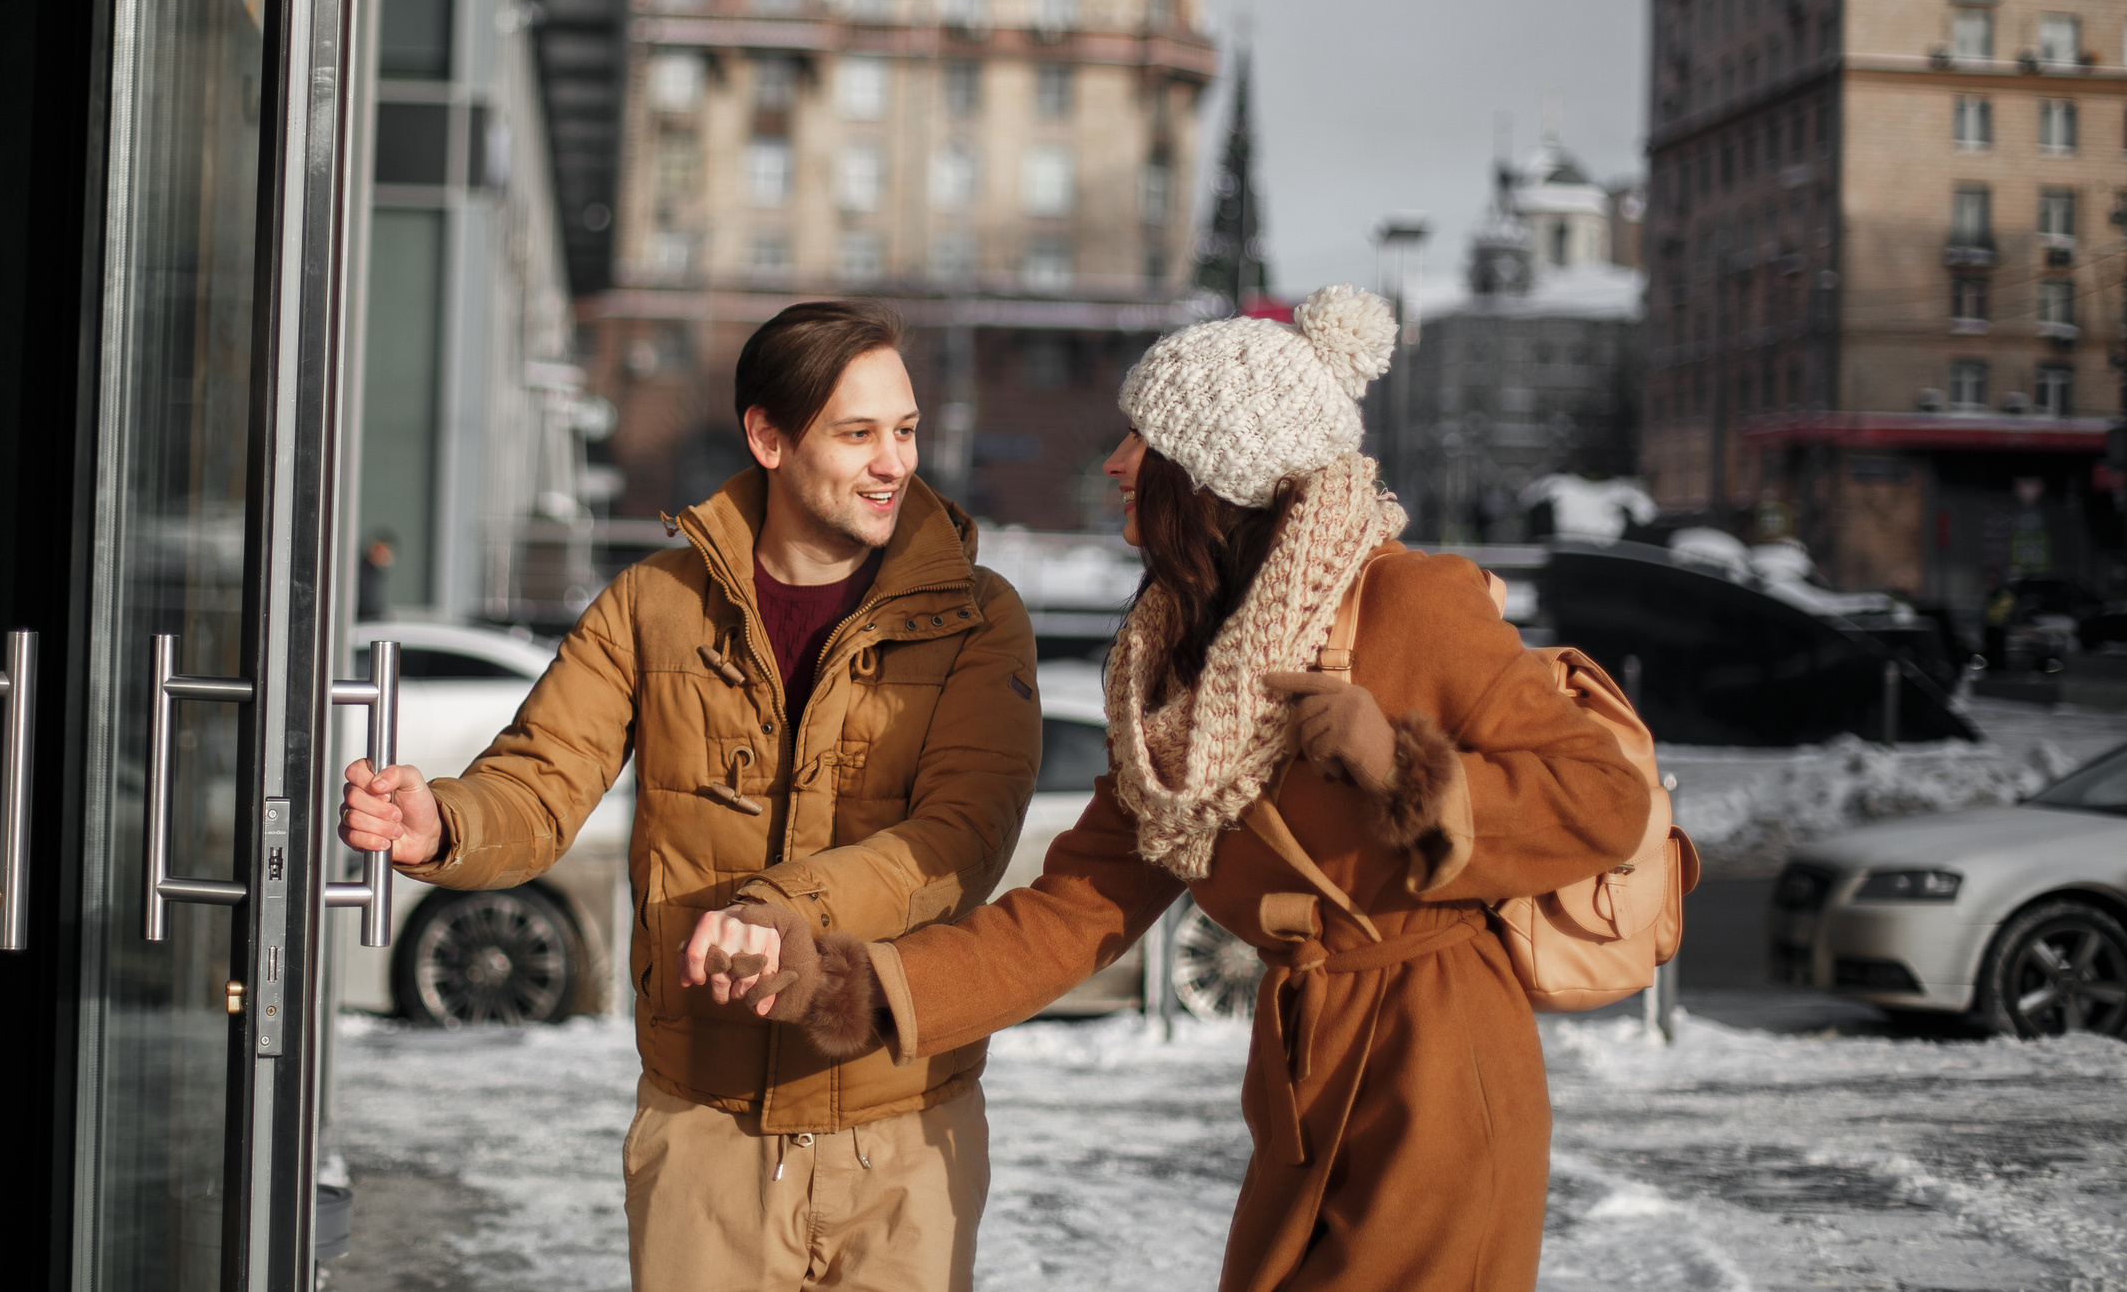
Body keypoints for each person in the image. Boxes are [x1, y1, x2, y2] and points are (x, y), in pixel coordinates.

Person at [692, 287, 1652, 1292]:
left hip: (1442, 1073)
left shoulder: (1409, 603)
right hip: (1301, 1089)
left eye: (1142, 442)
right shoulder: (1173, 680)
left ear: (1218, 475)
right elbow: (1072, 913)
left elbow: (1600, 801)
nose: (1113, 464)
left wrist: (1399, 765)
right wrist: (855, 985)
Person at [337, 298, 1041, 1291]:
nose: (895, 463)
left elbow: (961, 836)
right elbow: (539, 784)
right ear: (767, 436)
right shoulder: (651, 604)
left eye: (905, 429)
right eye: (858, 434)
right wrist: (446, 819)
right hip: (701, 1128)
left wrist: (781, 911)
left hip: (902, 1130)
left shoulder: (977, 616)